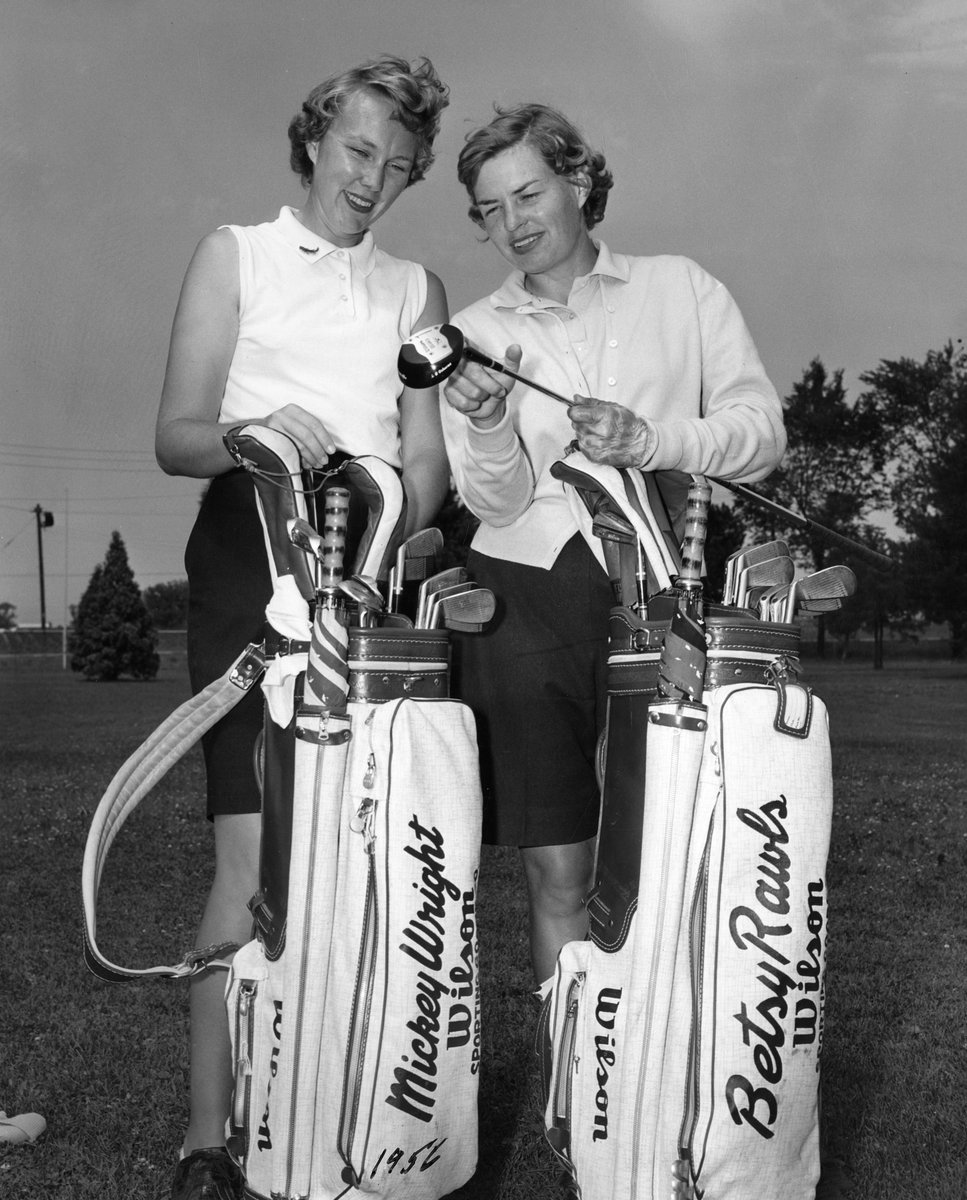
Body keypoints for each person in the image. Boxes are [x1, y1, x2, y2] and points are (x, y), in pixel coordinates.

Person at [155, 56, 450, 1200]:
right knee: (250, 855)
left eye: (400, 166)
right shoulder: (236, 252)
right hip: (251, 552)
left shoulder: (417, 292)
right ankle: (205, 1137)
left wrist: (388, 527)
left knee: (364, 853)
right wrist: (255, 436)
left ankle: (342, 1111)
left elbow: (423, 464)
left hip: (371, 568)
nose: (372, 181)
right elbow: (178, 431)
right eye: (359, 151)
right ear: (318, 136)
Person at [440, 103, 786, 993]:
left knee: (679, 855)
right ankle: (573, 1100)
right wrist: (484, 425)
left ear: (579, 182)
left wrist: (653, 440)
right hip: (522, 595)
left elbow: (758, 434)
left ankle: (658, 1078)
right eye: (490, 209)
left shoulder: (682, 287)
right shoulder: (471, 333)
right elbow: (494, 498)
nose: (513, 222)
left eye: (528, 193)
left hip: (670, 589)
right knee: (557, 865)